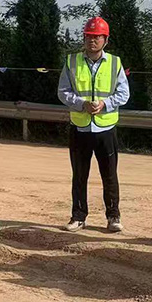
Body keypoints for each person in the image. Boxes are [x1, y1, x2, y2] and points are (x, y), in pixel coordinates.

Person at [57, 16, 130, 234]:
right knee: (79, 176)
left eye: (97, 36)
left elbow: (124, 93)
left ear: (106, 40)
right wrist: (82, 104)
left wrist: (105, 104)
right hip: (80, 127)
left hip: (106, 129)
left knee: (110, 176)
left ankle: (113, 216)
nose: (92, 40)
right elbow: (63, 91)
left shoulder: (115, 63)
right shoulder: (72, 62)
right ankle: (78, 216)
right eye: (89, 36)